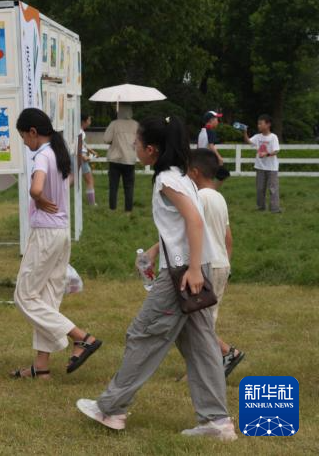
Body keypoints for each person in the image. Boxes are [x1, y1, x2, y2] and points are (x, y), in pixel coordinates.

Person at [77, 116, 235, 442]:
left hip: (182, 274)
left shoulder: (167, 179)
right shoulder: (181, 176)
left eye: (136, 142)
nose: (133, 147)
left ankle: (111, 408)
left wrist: (193, 269)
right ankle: (217, 422)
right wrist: (155, 252)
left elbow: (195, 221)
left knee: (143, 334)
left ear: (151, 149)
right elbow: (181, 225)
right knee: (201, 345)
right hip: (191, 268)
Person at [11, 108, 102, 380]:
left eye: (23, 137)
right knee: (46, 298)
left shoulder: (42, 155)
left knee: (24, 296)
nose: (24, 143)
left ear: (33, 132)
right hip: (61, 233)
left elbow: (36, 188)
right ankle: (42, 366)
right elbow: (67, 181)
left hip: (46, 234)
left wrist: (37, 197)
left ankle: (81, 337)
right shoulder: (58, 153)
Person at [186, 149, 245, 377]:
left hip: (206, 265)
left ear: (195, 172)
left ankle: (226, 354)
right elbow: (228, 238)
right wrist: (226, 267)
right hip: (220, 264)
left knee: (199, 322)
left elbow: (187, 231)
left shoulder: (199, 197)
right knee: (202, 319)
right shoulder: (219, 198)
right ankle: (215, 361)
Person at [102, 104, 139, 212]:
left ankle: (112, 209)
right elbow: (139, 140)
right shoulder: (136, 124)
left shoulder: (114, 124)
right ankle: (128, 210)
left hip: (115, 159)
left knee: (113, 186)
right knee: (129, 186)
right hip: (129, 159)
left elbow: (106, 139)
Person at [242, 114, 281, 213]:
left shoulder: (273, 137)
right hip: (260, 167)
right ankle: (261, 207)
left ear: (268, 124)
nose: (258, 126)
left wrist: (266, 154)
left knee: (273, 189)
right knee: (260, 189)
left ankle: (275, 209)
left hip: (272, 168)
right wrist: (245, 132)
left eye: (260, 123)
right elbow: (248, 142)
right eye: (258, 124)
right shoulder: (257, 137)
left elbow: (276, 151)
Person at [78, 114, 97, 206]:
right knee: (89, 180)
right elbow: (77, 145)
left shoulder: (79, 131)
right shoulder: (80, 132)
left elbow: (83, 144)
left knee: (73, 179)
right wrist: (83, 156)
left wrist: (91, 151)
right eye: (89, 120)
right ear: (83, 121)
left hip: (81, 156)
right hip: (81, 157)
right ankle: (92, 203)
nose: (90, 122)